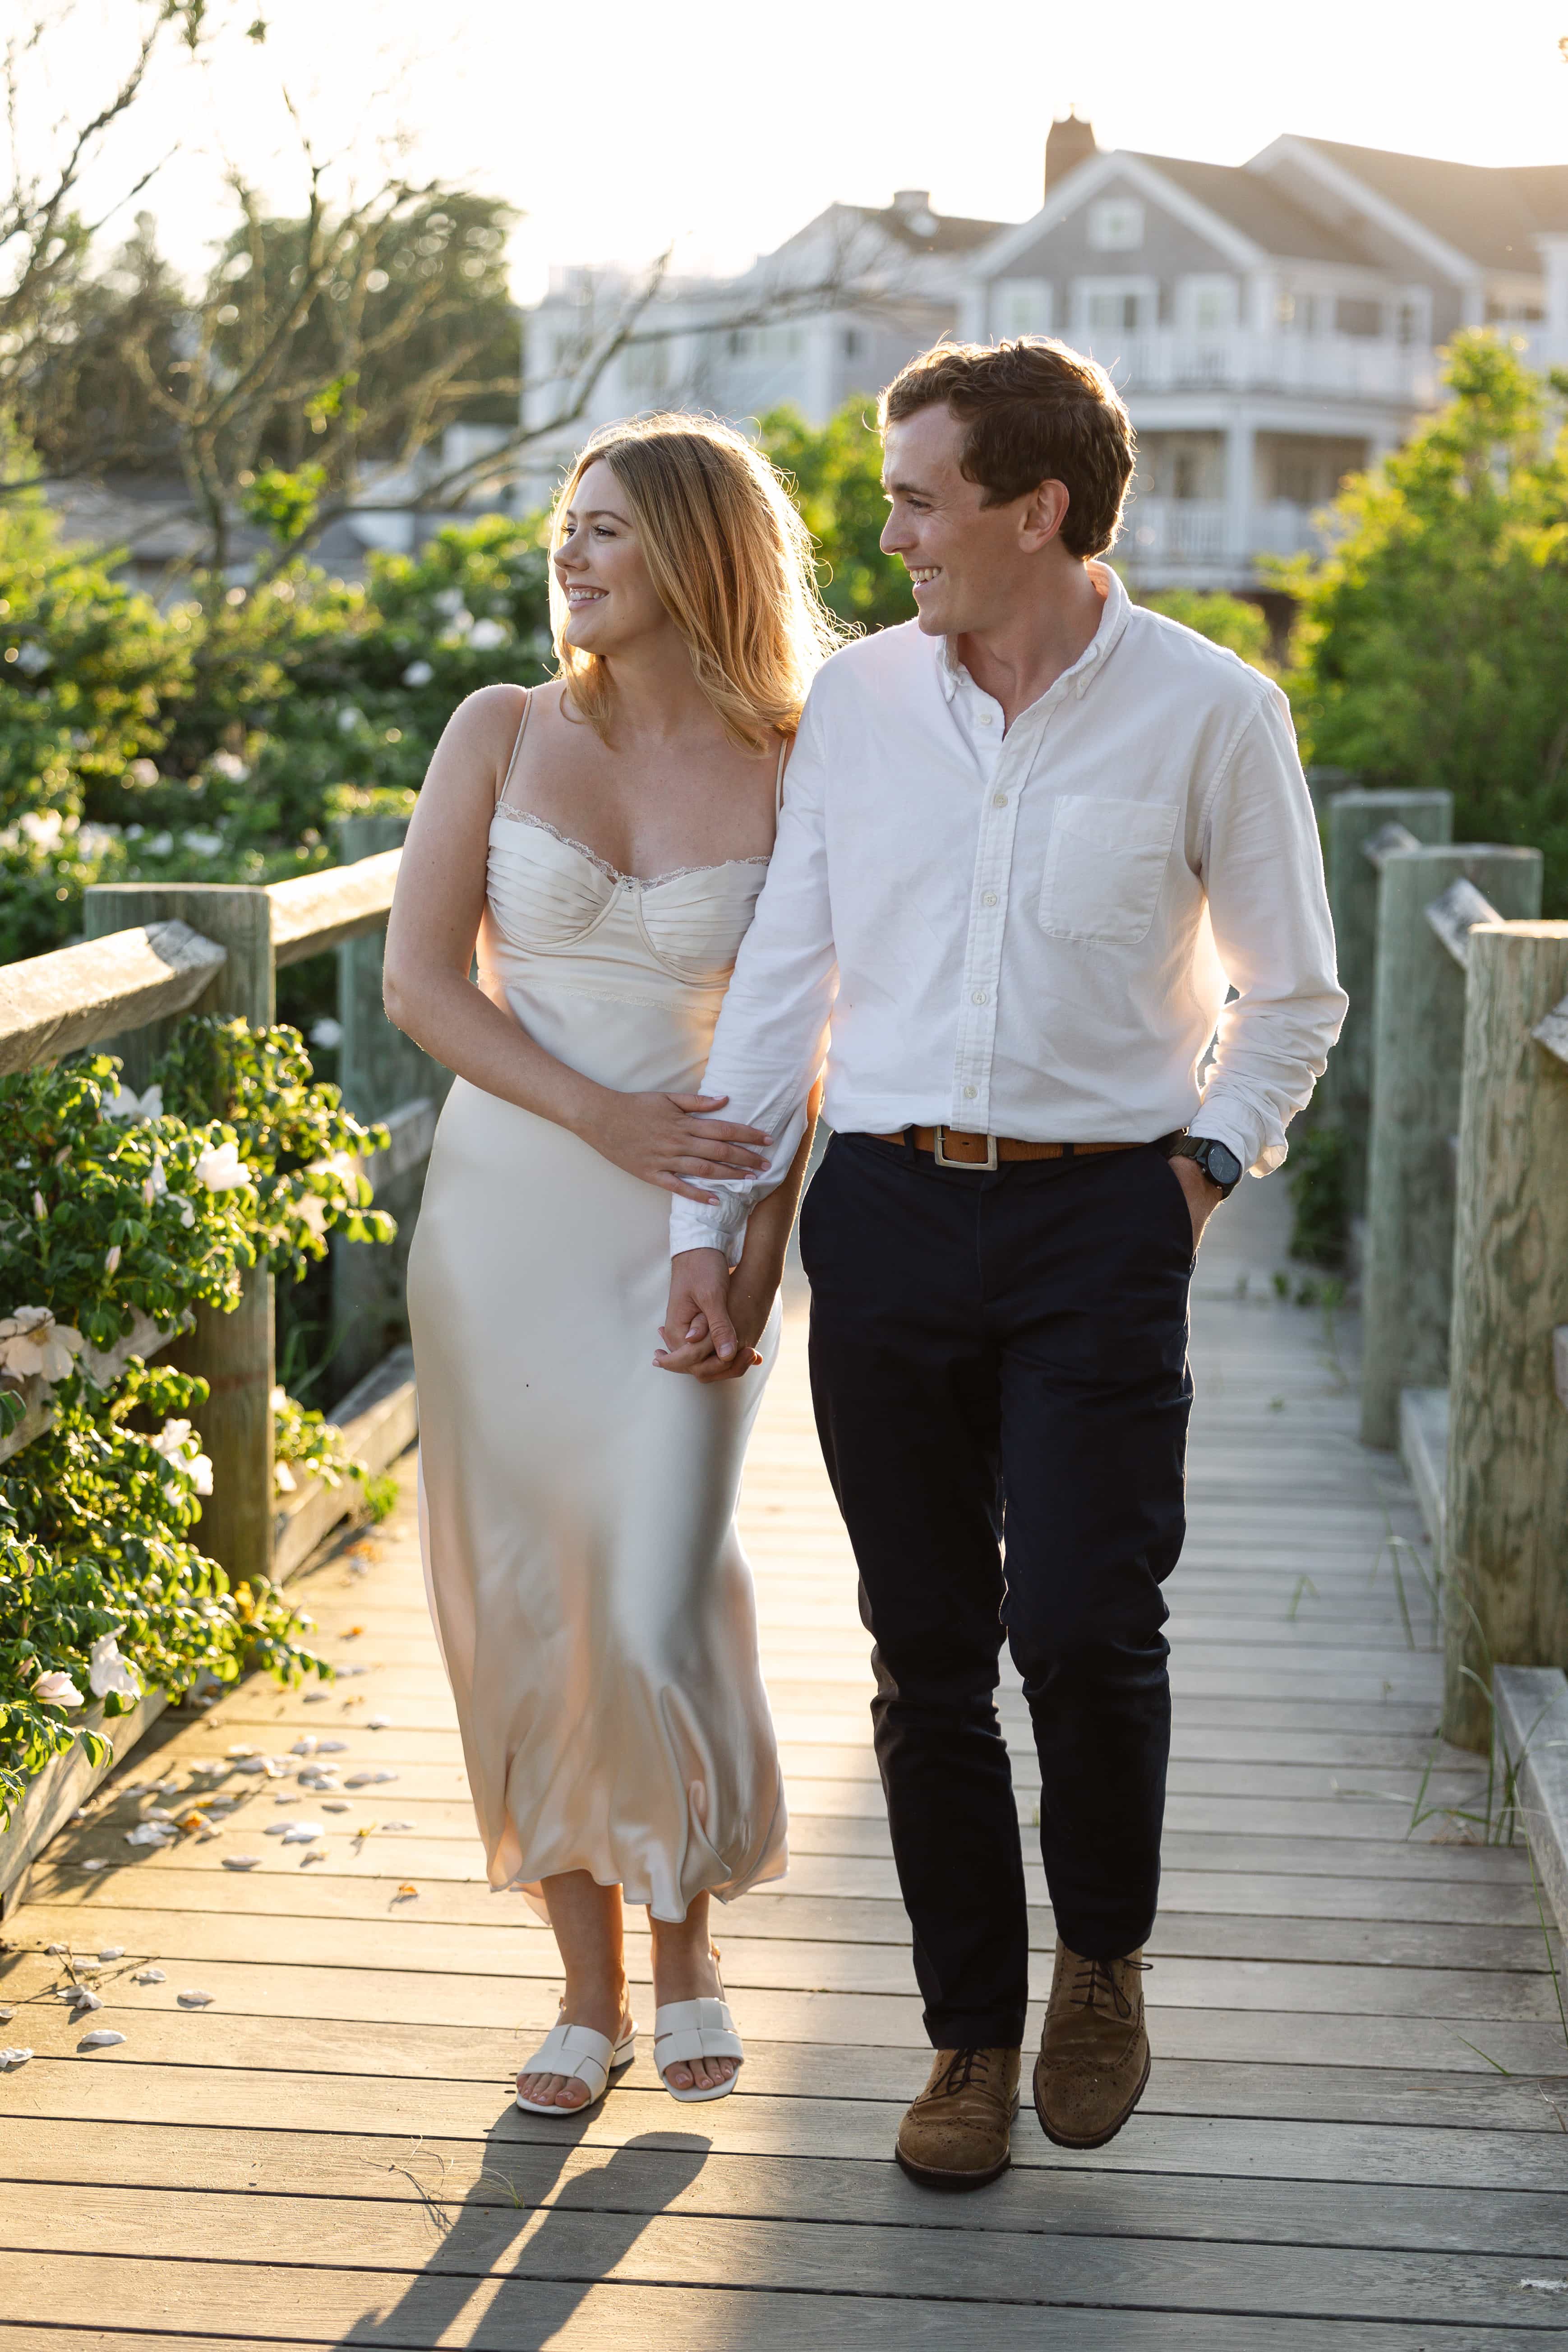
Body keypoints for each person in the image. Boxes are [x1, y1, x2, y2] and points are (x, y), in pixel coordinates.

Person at [658, 339, 1347, 2186]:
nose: (883, 535)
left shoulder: (1214, 710)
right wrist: (704, 1235)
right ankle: (965, 2034)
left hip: (1097, 1218)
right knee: (927, 1650)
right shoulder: (861, 709)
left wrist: (1196, 1174)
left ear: (1034, 509)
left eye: (912, 497)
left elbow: (1292, 993)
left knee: (1083, 1626)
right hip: (882, 1210)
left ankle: (1098, 1958)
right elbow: (780, 981)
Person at [386, 414, 836, 2116]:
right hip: (510, 1209)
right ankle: (584, 1990)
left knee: (655, 1583)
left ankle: (688, 1939)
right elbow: (428, 988)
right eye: (564, 529)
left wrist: (748, 1241)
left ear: (701, 556)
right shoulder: (499, 730)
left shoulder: (798, 757)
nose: (570, 557)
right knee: (530, 1587)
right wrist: (604, 1120)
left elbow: (813, 1038)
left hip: (702, 1225)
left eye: (611, 534)